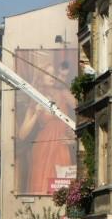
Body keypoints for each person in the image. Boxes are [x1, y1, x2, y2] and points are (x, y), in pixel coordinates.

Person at [16, 59, 76, 194]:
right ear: (40, 77)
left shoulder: (63, 94)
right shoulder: (36, 98)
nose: (51, 77)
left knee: (62, 184)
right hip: (43, 145)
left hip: (61, 144)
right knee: (42, 186)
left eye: (53, 74)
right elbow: (22, 134)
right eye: (47, 74)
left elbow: (81, 108)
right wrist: (36, 114)